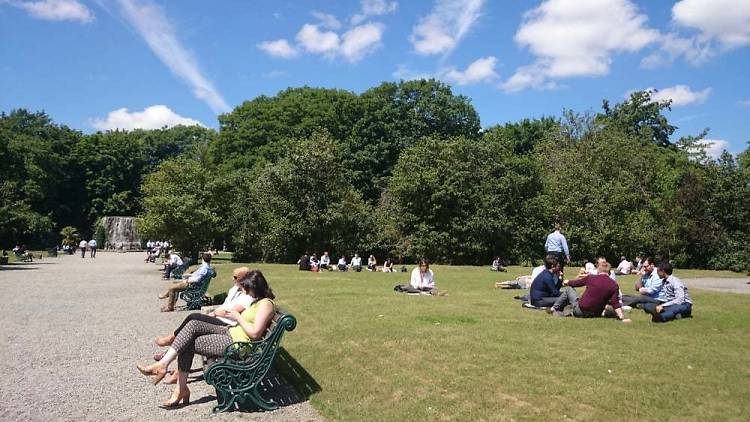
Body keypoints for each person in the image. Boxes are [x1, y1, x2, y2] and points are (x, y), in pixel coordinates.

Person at [137, 270, 276, 408]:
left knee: (188, 342)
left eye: (247, 289)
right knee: (193, 324)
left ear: (255, 287)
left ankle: (177, 384)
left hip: (237, 345)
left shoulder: (266, 304)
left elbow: (256, 334)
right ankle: (165, 367)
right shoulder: (258, 301)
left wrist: (237, 317)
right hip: (231, 333)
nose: (245, 292)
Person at [547, 258, 631, 323]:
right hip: (596, 314)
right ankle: (565, 311)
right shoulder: (613, 285)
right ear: (609, 272)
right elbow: (615, 303)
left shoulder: (591, 278)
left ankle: (554, 308)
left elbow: (576, 283)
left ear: (598, 270)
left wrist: (567, 282)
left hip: (580, 311)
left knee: (569, 289)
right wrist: (622, 318)